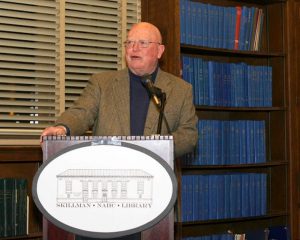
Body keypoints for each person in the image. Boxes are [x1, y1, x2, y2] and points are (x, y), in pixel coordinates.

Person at [40, 22, 198, 239]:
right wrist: (62, 127)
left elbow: (189, 136)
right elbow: (81, 111)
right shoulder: (102, 83)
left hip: (152, 196)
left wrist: (157, 147)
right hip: (105, 198)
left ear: (159, 51)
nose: (133, 49)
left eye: (142, 43)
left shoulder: (180, 90)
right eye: (129, 43)